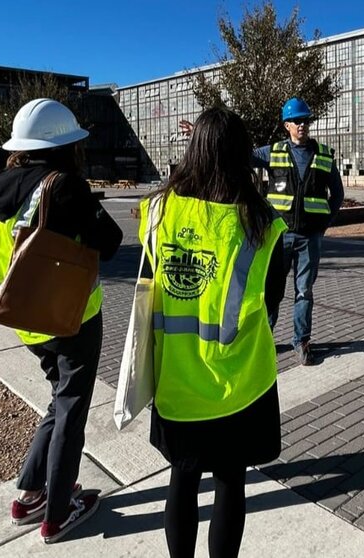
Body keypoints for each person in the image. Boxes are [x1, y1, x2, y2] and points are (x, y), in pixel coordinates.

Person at [142, 106, 287, 558]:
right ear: (243, 155)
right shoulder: (262, 224)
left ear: (194, 151)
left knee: (182, 482)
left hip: (176, 382)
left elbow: (149, 291)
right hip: (241, 384)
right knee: (231, 485)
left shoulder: (158, 211)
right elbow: (273, 306)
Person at [0, 98, 122, 543]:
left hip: (24, 315)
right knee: (72, 410)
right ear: (64, 145)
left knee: (59, 401)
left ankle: (30, 494)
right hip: (69, 319)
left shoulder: (1, 186)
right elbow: (111, 241)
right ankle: (58, 513)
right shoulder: (64, 187)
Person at [252, 97, 344, 365]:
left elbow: (337, 194)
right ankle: (265, 340)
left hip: (309, 237)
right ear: (286, 125)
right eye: (297, 121)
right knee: (272, 291)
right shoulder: (274, 151)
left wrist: (323, 224)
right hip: (279, 237)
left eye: (306, 120)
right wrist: (203, 131)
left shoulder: (324, 154)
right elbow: (241, 156)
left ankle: (301, 341)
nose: (302, 125)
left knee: (304, 291)